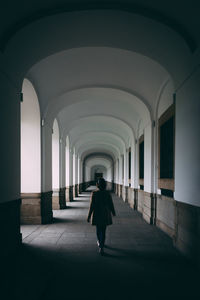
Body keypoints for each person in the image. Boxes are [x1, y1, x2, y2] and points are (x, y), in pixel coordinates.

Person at [87, 178, 116, 255]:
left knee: (98, 229)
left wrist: (89, 216)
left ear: (97, 185)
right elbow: (111, 203)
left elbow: (91, 206)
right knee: (103, 230)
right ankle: (101, 246)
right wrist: (113, 212)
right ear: (105, 185)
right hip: (105, 213)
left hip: (97, 213)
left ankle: (100, 242)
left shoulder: (94, 193)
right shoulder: (107, 193)